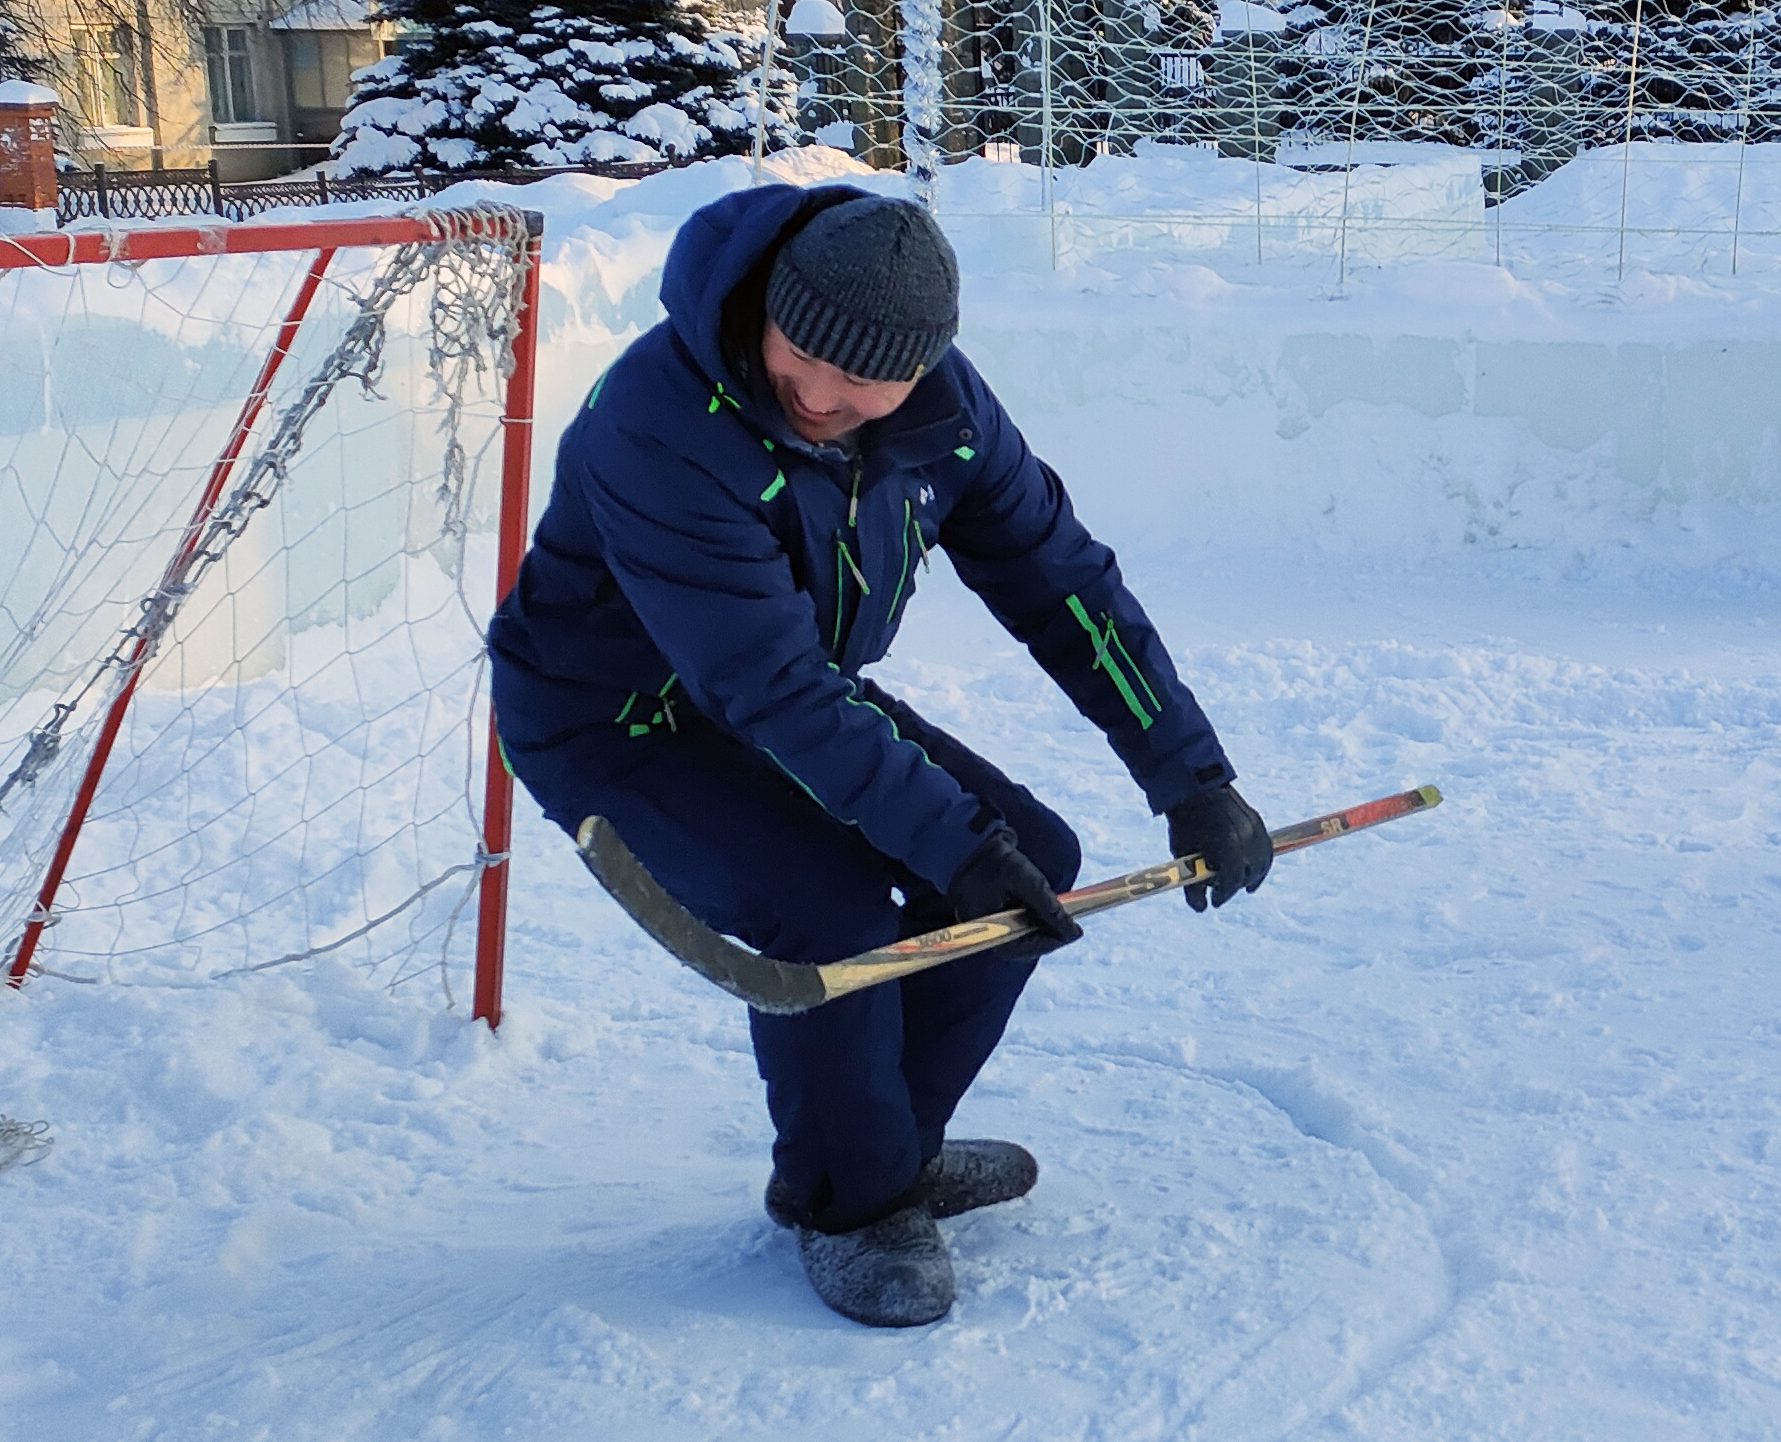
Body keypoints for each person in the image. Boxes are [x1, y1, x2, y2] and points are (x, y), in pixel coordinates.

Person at [488, 183, 1278, 1329]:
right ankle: (850, 1202)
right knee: (837, 908)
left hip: (787, 691)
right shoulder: (657, 421)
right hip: (617, 722)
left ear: (924, 364)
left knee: (1031, 866)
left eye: (867, 380)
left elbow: (1060, 581)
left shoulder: (943, 413)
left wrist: (1192, 778)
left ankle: (882, 1159)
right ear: (764, 307)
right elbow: (761, 683)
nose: (820, 397)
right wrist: (952, 842)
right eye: (800, 355)